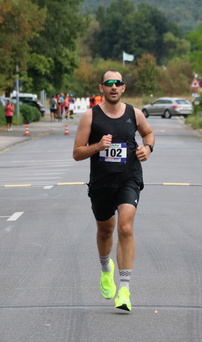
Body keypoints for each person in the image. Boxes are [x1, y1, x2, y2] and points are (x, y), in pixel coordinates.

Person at [73, 70, 155, 312]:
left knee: (125, 227)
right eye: (109, 83)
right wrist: (98, 146)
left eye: (117, 83)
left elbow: (148, 134)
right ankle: (105, 268)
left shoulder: (134, 114)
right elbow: (77, 152)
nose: (113, 87)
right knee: (105, 230)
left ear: (123, 87)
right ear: (101, 88)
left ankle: (125, 289)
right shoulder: (90, 116)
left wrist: (148, 148)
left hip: (129, 178)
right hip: (101, 183)